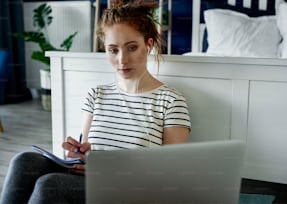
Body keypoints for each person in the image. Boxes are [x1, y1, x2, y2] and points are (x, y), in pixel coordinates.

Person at [0, 0, 191, 203]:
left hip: (130, 189)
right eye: (113, 50)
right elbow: (87, 149)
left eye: (132, 48)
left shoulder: (170, 100)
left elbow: (171, 173)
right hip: (90, 180)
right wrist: (77, 153)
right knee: (25, 161)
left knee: (51, 185)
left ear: (148, 45)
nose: (122, 59)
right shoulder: (97, 94)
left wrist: (109, 169)